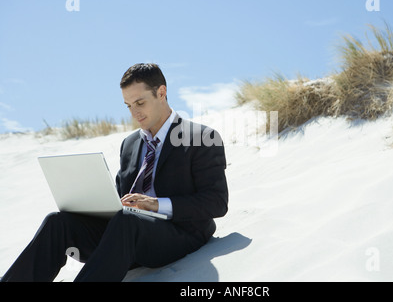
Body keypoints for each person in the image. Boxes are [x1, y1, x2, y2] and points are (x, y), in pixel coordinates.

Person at [1, 63, 229, 282]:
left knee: (127, 220)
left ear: (161, 93)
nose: (135, 113)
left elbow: (217, 202)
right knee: (58, 222)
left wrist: (155, 204)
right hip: (125, 237)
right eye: (128, 106)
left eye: (140, 102)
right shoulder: (130, 144)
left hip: (180, 234)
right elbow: (121, 200)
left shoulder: (200, 138)